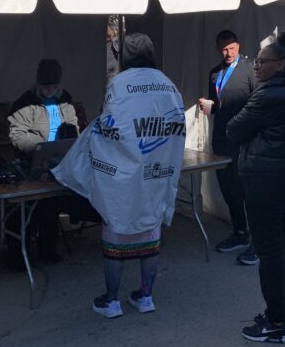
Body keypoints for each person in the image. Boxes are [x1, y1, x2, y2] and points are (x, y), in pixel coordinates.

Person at [53, 33, 186, 318]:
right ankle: (146, 297)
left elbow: (110, 127)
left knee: (116, 232)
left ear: (124, 55)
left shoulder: (119, 84)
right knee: (150, 231)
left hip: (121, 176)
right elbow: (177, 127)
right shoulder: (168, 85)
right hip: (154, 173)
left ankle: (112, 301)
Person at [225, 31, 285, 343]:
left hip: (266, 180)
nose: (257, 67)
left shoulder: (268, 95)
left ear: (282, 64)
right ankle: (284, 315)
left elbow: (233, 129)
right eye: (256, 62)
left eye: (263, 62)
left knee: (270, 249)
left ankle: (275, 320)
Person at [7, 58, 79, 263]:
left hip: (58, 161)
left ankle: (48, 251)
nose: (49, 91)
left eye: (53, 86)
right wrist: (40, 147)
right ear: (38, 84)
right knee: (29, 208)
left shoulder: (65, 99)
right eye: (45, 86)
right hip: (32, 163)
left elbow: (73, 124)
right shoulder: (24, 103)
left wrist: (71, 136)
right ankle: (21, 256)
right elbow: (17, 135)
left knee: (52, 207)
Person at [198, 30, 258, 264]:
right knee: (229, 189)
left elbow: (256, 103)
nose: (228, 53)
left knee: (247, 190)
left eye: (232, 48)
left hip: (243, 140)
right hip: (222, 139)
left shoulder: (250, 69)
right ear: (217, 49)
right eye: (224, 49)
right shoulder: (215, 73)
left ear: (238, 46)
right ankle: (240, 232)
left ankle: (257, 240)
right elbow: (218, 105)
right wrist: (211, 107)